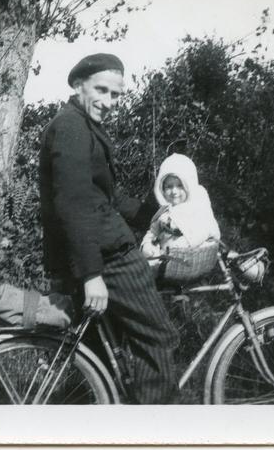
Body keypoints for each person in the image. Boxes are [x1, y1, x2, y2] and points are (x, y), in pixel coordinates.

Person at [39, 53, 180, 404]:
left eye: (115, 95)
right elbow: (72, 204)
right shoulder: (71, 127)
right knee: (158, 338)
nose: (108, 102)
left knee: (101, 351)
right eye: (101, 90)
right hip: (107, 256)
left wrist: (153, 209)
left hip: (94, 250)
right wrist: (92, 274)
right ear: (78, 85)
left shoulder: (81, 125)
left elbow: (105, 196)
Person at [141, 153, 221, 258]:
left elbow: (205, 230)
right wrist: (147, 245)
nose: (174, 191)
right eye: (169, 187)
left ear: (188, 185)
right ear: (162, 189)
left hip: (192, 254)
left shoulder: (196, 206)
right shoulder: (164, 211)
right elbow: (153, 231)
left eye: (180, 186)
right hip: (166, 257)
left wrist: (182, 244)